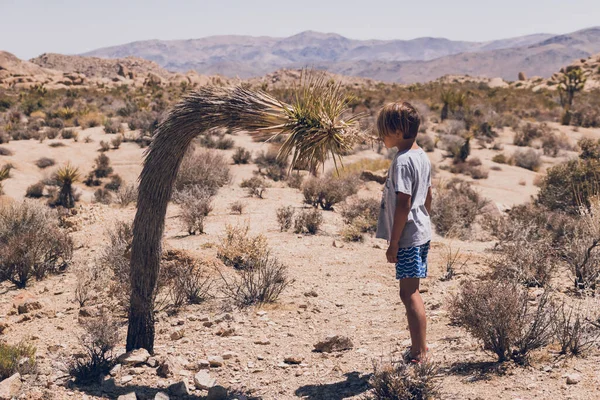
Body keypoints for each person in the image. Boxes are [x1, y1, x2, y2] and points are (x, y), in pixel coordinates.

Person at [375, 102, 432, 362]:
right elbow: (429, 194)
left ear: (398, 131)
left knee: (409, 293)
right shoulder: (421, 155)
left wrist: (394, 242)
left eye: (383, 130)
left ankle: (419, 351)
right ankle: (420, 347)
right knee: (412, 289)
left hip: (408, 236)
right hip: (421, 231)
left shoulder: (402, 162)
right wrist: (425, 219)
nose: (380, 136)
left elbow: (403, 203)